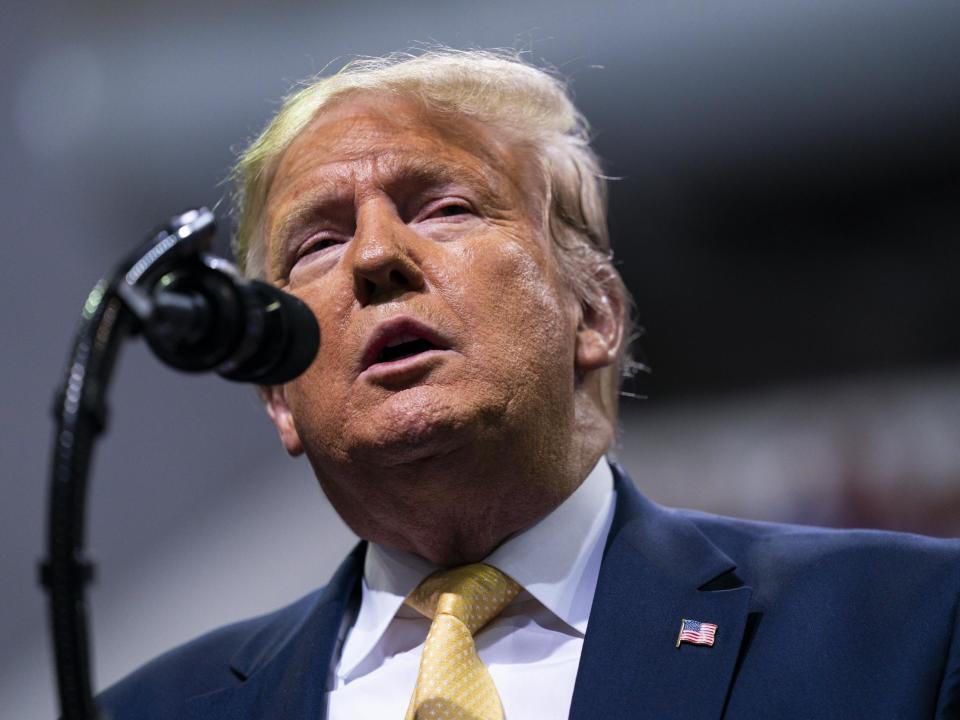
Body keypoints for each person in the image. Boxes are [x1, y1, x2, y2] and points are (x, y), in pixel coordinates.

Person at [100, 50, 960, 719]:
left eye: (444, 207)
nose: (372, 257)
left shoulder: (905, 627)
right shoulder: (147, 710)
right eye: (317, 243)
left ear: (594, 315)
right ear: (278, 394)